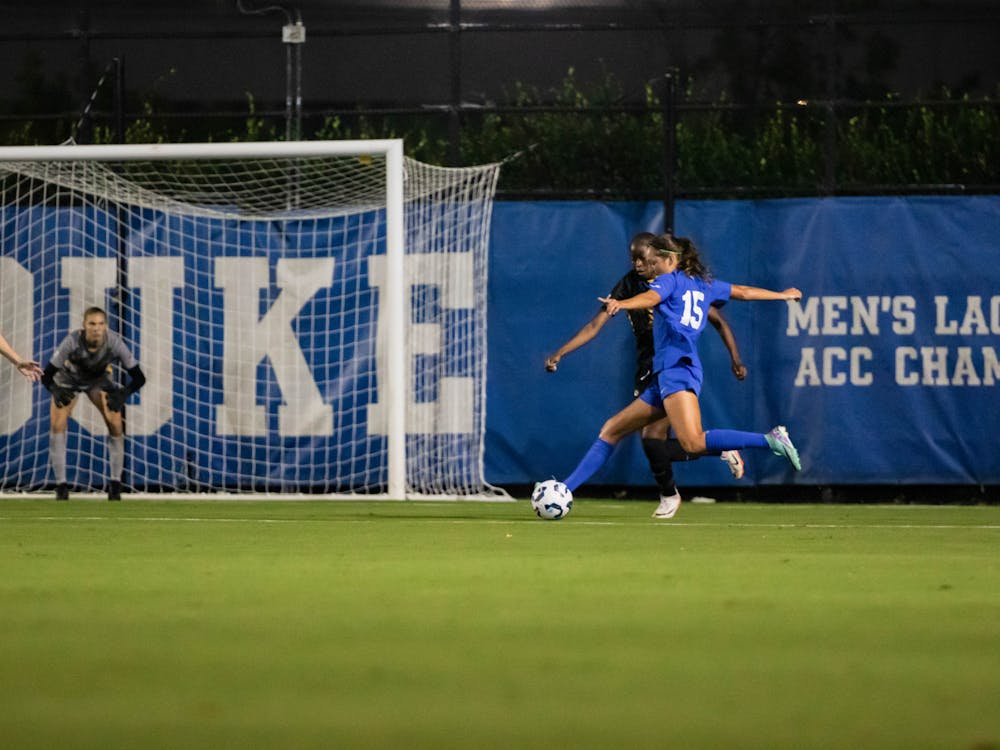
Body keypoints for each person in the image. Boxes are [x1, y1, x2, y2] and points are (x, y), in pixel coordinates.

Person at [561, 233, 802, 519]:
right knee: (612, 429)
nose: (649, 265)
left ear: (670, 260)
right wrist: (783, 295)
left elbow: (651, 296)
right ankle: (564, 490)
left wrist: (622, 304)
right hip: (672, 373)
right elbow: (743, 292)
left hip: (677, 371)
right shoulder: (704, 285)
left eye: (654, 261)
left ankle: (770, 439)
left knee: (692, 442)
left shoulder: (669, 278)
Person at [41, 307, 146, 501]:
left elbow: (139, 377)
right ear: (84, 326)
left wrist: (123, 394)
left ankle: (115, 484)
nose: (96, 328)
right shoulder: (72, 341)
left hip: (98, 381)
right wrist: (56, 390)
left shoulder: (114, 342)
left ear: (105, 326)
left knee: (115, 421)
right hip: (68, 379)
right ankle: (61, 486)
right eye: (92, 324)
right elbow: (46, 375)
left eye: (100, 324)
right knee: (57, 423)